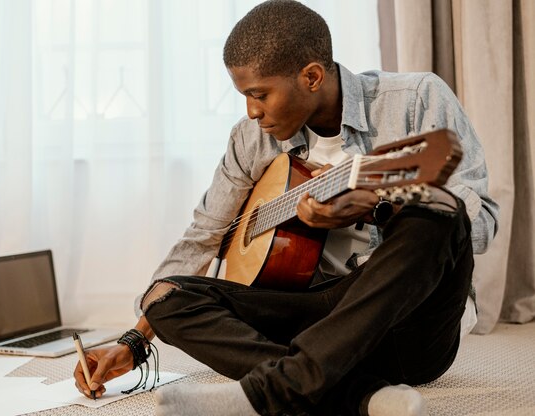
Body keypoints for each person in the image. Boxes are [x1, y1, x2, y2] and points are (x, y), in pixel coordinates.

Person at [74, 1, 499, 415]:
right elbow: (203, 236)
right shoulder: (250, 140)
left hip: (403, 326)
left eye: (259, 94)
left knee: (440, 209)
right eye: (244, 95)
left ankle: (277, 387)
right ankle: (357, 397)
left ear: (312, 76)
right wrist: (133, 340)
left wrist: (373, 210)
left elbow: (479, 226)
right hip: (307, 315)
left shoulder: (414, 99)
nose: (252, 111)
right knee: (164, 296)